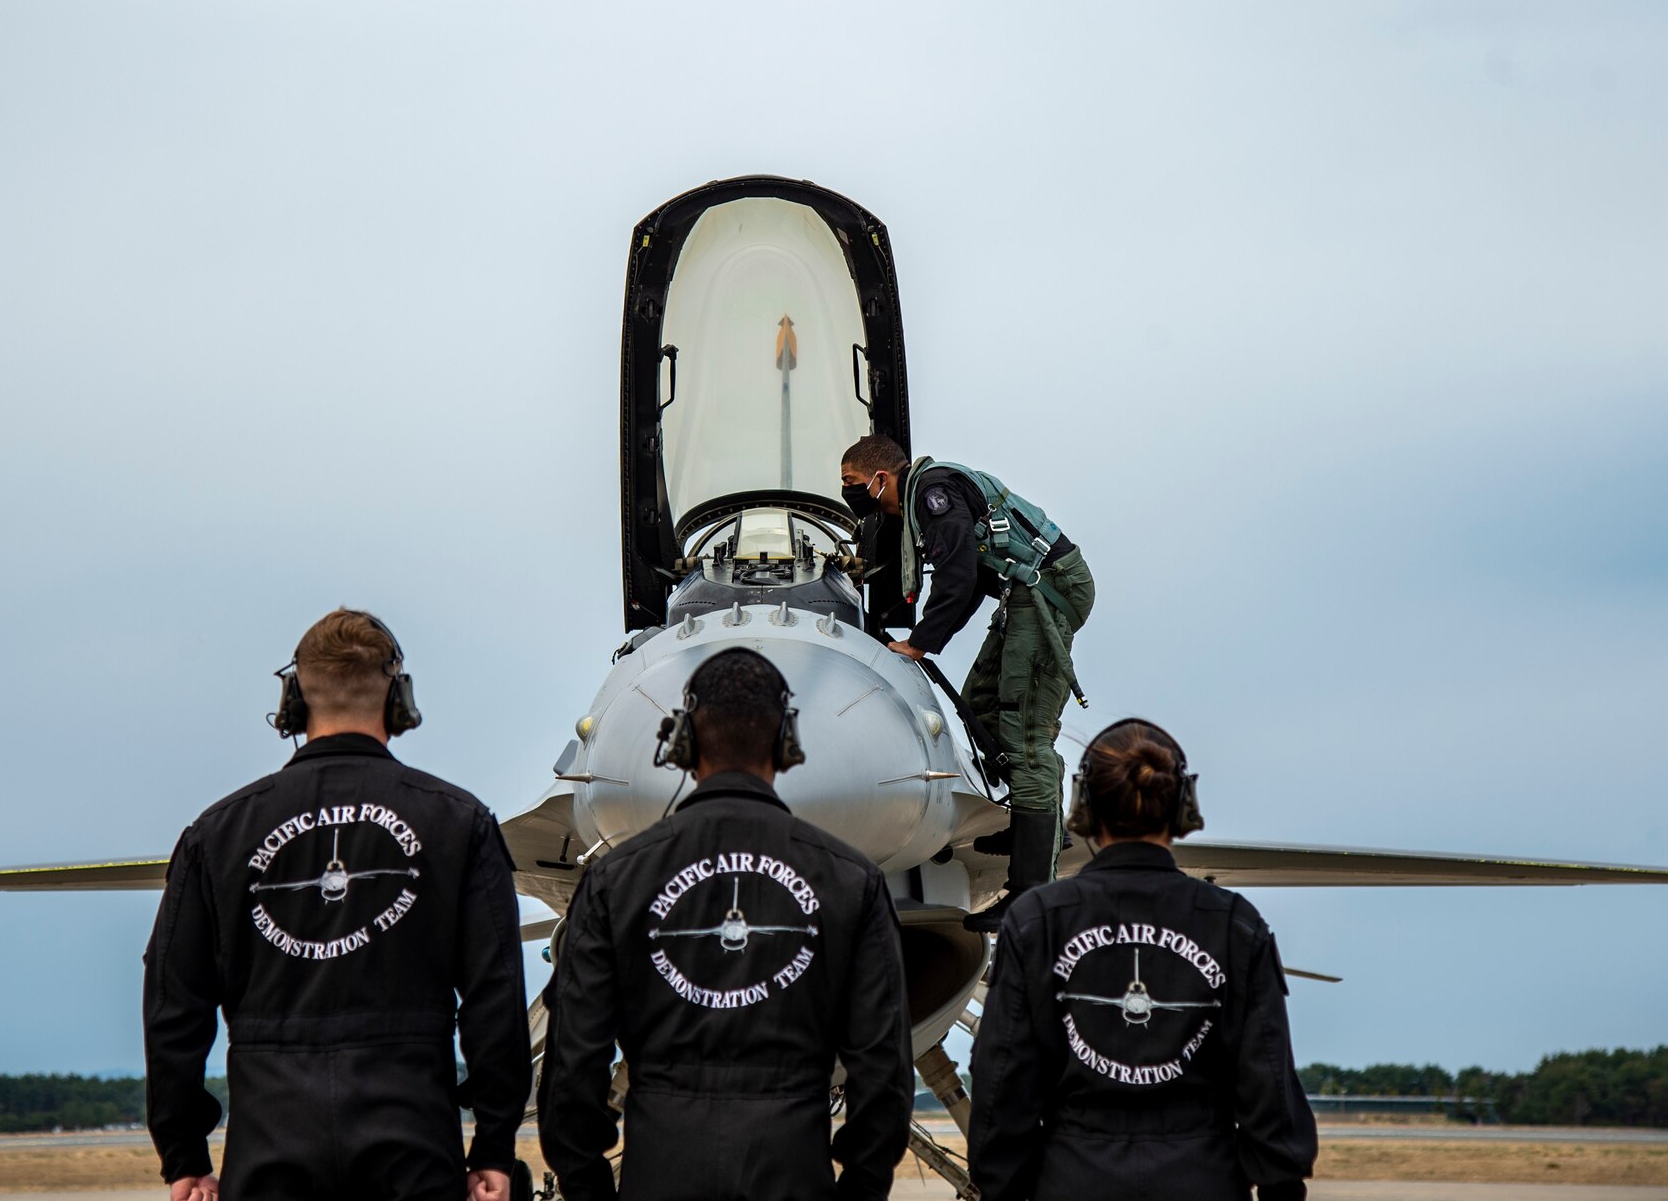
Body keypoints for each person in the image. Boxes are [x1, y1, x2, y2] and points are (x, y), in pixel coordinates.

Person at [143, 609, 530, 1201]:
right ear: (399, 698)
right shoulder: (458, 823)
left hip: (270, 1149)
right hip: (413, 1148)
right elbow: (495, 995)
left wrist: (185, 1158)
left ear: (292, 701)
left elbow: (174, 1006)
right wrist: (494, 1146)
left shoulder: (216, 835)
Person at [538, 648, 913, 1201]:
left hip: (658, 1175)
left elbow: (572, 1066)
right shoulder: (850, 880)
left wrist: (590, 1188)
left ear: (681, 743)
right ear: (788, 744)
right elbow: (884, 1074)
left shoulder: (615, 881)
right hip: (793, 1175)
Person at [967, 720, 1317, 1201]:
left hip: (1073, 1180)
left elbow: (1001, 1078)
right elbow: (1267, 1079)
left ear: (1083, 808)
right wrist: (1282, 1184)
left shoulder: (1036, 922)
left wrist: (1002, 1186)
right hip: (1203, 1180)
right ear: (1183, 806)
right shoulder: (1234, 924)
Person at [838, 434, 1096, 931]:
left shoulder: (933, 494)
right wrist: (918, 634)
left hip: (1047, 595)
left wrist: (918, 644)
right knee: (980, 701)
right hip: (1023, 595)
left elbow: (956, 573)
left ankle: (1031, 895)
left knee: (1024, 738)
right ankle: (1029, 824)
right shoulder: (928, 495)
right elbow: (977, 576)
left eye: (851, 482)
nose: (848, 491)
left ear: (881, 478)